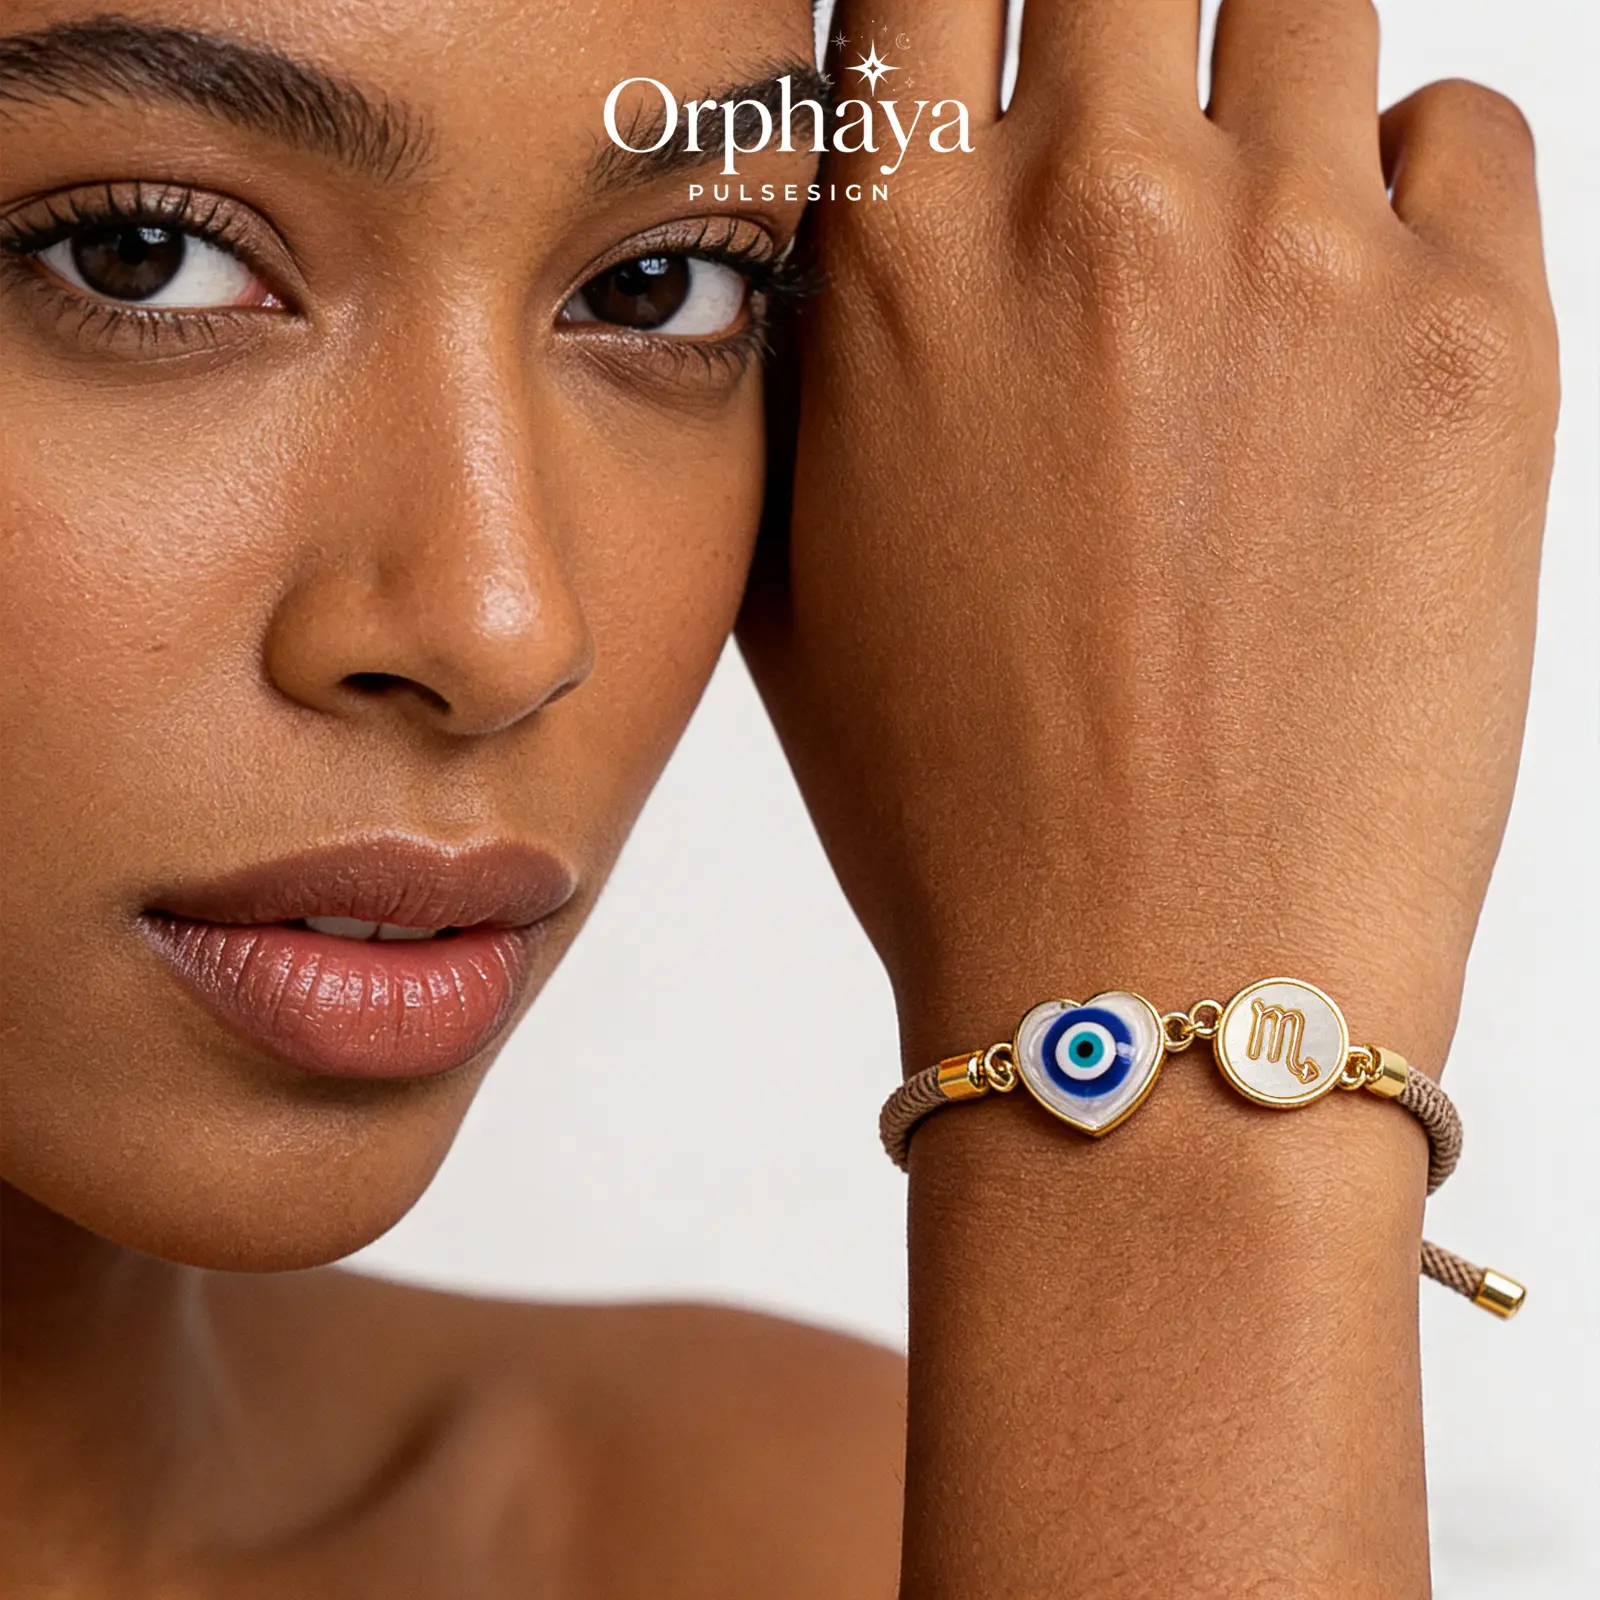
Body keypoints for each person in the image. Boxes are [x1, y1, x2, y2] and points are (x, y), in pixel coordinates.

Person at [0, 0, 1557, 1595]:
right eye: (138, 259)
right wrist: (1172, 1143)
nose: (504, 626)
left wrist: (1177, 966)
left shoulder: (804, 1529)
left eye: (661, 284)